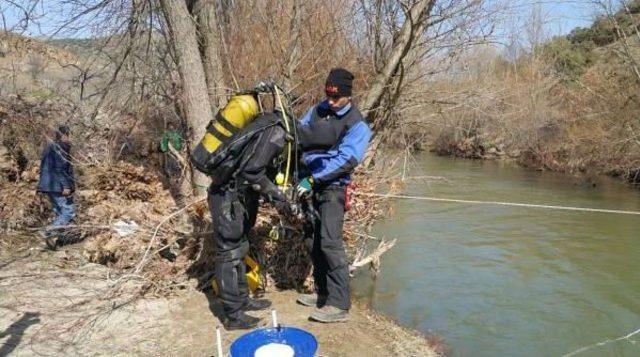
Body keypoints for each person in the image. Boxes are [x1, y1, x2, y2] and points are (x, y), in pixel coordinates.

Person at [295, 68, 372, 323]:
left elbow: (347, 160)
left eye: (335, 98)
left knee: (330, 242)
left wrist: (314, 179)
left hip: (333, 188)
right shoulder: (319, 109)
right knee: (312, 240)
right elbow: (300, 130)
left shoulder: (357, 124)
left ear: (347, 96)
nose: (330, 101)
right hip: (308, 183)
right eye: (327, 95)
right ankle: (323, 293)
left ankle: (339, 304)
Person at [206, 109, 292, 330]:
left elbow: (254, 168)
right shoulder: (275, 132)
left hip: (237, 195)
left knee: (241, 245)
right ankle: (233, 316)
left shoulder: (271, 128)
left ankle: (243, 299)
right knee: (228, 252)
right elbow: (253, 172)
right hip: (225, 195)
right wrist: (277, 197)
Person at [37, 125, 76, 250]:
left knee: (60, 212)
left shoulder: (49, 147)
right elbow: (60, 169)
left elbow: (44, 167)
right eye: (69, 134)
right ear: (65, 134)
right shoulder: (61, 148)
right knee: (68, 211)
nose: (69, 138)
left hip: (48, 185)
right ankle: (48, 232)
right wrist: (66, 186)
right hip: (57, 185)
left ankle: (58, 240)